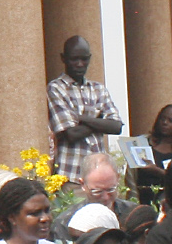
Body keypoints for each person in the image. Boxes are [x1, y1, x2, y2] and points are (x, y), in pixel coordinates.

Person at [45, 37, 122, 184]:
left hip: (99, 176)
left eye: (84, 59)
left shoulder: (98, 89)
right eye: (74, 59)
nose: (80, 64)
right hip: (71, 175)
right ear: (63, 58)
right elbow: (71, 133)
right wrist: (100, 121)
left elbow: (116, 126)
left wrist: (83, 119)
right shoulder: (56, 88)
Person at [129, 103, 172, 206]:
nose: (164, 123)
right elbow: (130, 179)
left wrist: (158, 171)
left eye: (170, 120)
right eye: (162, 119)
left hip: (170, 208)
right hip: (141, 206)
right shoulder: (140, 144)